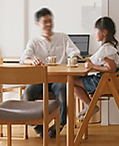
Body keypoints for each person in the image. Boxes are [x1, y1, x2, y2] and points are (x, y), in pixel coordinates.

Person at [20, 7, 81, 137]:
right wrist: (32, 61)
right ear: (38, 24)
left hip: (58, 79)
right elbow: (23, 58)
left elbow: (75, 52)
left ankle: (60, 124)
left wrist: (73, 58)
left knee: (63, 90)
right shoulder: (34, 42)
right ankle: (37, 126)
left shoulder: (62, 37)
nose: (48, 24)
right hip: (40, 79)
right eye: (45, 21)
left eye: (50, 21)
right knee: (26, 95)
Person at [73, 16, 119, 120]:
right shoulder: (112, 46)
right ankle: (89, 106)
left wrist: (93, 66)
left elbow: (111, 68)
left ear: (104, 32)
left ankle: (90, 106)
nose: (95, 33)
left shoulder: (107, 49)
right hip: (108, 82)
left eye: (96, 30)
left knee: (71, 82)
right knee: (73, 82)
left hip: (102, 83)